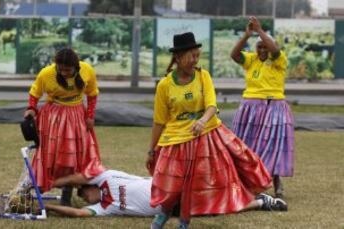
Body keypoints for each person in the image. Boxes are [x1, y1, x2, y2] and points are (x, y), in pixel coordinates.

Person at [145, 32, 281, 229]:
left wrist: (202, 121)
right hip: (174, 140)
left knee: (196, 184)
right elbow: (159, 121)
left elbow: (211, 105)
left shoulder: (203, 76)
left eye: (197, 56)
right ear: (178, 57)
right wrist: (151, 150)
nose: (195, 60)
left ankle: (184, 222)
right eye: (192, 56)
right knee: (171, 184)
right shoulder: (164, 85)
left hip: (205, 137)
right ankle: (164, 214)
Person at [23, 47, 104, 206]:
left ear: (76, 66)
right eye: (61, 69)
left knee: (73, 158)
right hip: (54, 119)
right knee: (50, 156)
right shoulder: (46, 73)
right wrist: (31, 109)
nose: (64, 73)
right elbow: (35, 93)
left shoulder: (86, 70)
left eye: (68, 70)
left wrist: (90, 116)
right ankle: (31, 189)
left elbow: (92, 94)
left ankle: (66, 195)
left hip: (77, 117)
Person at [45, 169, 287, 218]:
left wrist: (52, 182)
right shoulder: (104, 208)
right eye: (82, 197)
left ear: (92, 187)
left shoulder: (106, 177)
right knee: (214, 209)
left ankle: (254, 193)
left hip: (169, 186)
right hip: (167, 209)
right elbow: (78, 214)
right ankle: (260, 203)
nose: (83, 197)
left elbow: (79, 177)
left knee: (214, 189)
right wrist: (49, 208)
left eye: (83, 193)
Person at [230, 16, 294, 198]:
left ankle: (276, 182)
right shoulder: (251, 60)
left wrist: (259, 31)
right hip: (250, 110)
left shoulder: (279, 60)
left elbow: (274, 50)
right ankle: (246, 183)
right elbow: (234, 55)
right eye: (259, 46)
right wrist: (246, 36)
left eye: (265, 45)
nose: (263, 49)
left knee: (272, 146)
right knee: (247, 147)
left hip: (274, 108)